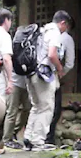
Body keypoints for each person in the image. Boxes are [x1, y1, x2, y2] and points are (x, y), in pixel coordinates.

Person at [24, 11, 70, 150]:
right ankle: (38, 141)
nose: (65, 30)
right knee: (47, 107)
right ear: (62, 23)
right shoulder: (54, 32)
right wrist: (60, 67)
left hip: (31, 73)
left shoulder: (41, 31)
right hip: (43, 74)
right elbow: (52, 54)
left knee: (37, 106)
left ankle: (28, 138)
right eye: (66, 27)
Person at [46, 25, 77, 146]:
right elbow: (69, 63)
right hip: (52, 75)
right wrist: (61, 71)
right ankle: (48, 138)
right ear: (65, 24)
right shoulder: (65, 38)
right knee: (55, 109)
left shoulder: (44, 32)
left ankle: (35, 138)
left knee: (40, 107)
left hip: (37, 75)